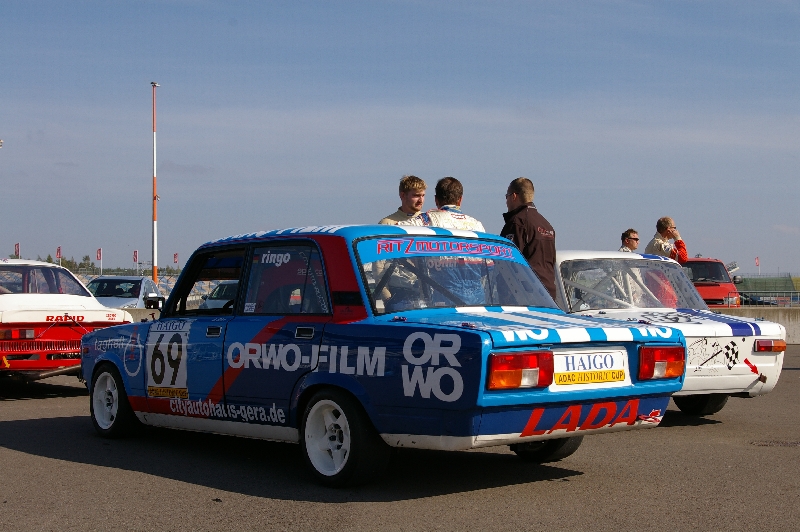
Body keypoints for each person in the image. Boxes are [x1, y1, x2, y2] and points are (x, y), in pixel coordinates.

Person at [501, 177, 557, 300]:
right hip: (549, 295)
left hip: (526, 295)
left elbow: (506, 262)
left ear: (514, 196)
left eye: (506, 196)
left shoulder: (517, 223)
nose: (506, 201)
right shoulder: (547, 226)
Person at [398, 177, 485, 231]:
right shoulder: (477, 225)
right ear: (460, 200)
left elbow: (396, 230)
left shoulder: (427, 220)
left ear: (436, 200)